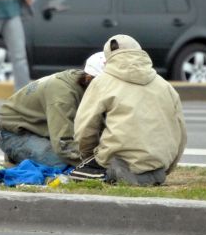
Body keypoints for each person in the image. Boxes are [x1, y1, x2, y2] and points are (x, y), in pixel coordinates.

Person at [72, 35, 187, 186]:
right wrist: (167, 167)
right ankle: (151, 174)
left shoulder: (102, 82)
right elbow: (181, 133)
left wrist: (90, 157)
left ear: (108, 58)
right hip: (158, 164)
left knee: (77, 175)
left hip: (119, 160)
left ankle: (117, 172)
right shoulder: (165, 86)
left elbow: (84, 129)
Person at [0, 52, 106, 168]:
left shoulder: (84, 82)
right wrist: (94, 165)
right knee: (63, 165)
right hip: (15, 134)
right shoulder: (62, 96)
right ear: (90, 79)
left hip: (43, 130)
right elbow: (64, 145)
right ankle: (15, 157)